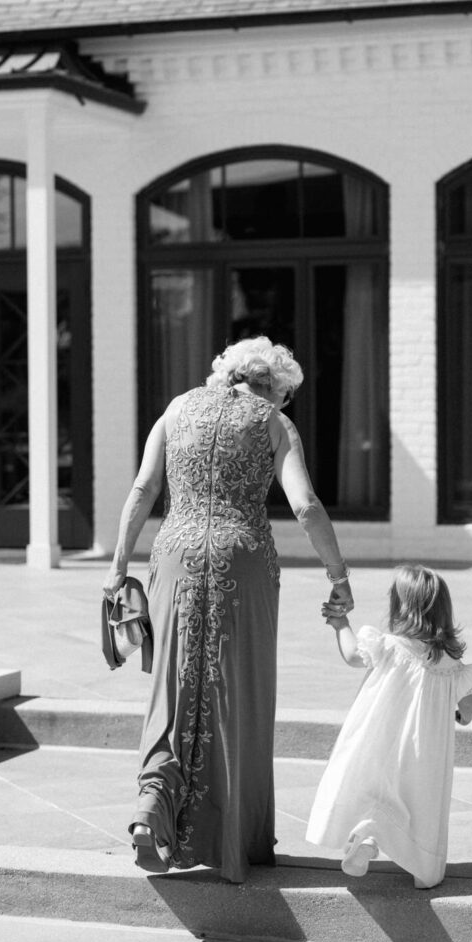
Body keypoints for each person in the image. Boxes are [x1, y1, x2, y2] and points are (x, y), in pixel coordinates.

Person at [102, 337, 353, 883]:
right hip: (244, 561)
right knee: (235, 694)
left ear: (228, 374)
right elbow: (305, 505)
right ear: (275, 388)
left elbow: (144, 487)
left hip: (174, 554)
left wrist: (118, 569)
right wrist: (339, 576)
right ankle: (233, 839)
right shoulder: (274, 424)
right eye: (284, 395)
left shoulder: (176, 409)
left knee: (174, 684)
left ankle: (153, 806)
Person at [306, 564, 472, 889]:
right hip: (425, 750)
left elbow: (352, 656)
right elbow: (468, 706)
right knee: (417, 799)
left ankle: (368, 838)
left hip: (381, 738)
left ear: (399, 607)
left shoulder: (387, 646)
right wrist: (461, 718)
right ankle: (421, 865)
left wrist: (340, 623)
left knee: (377, 790)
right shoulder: (451, 665)